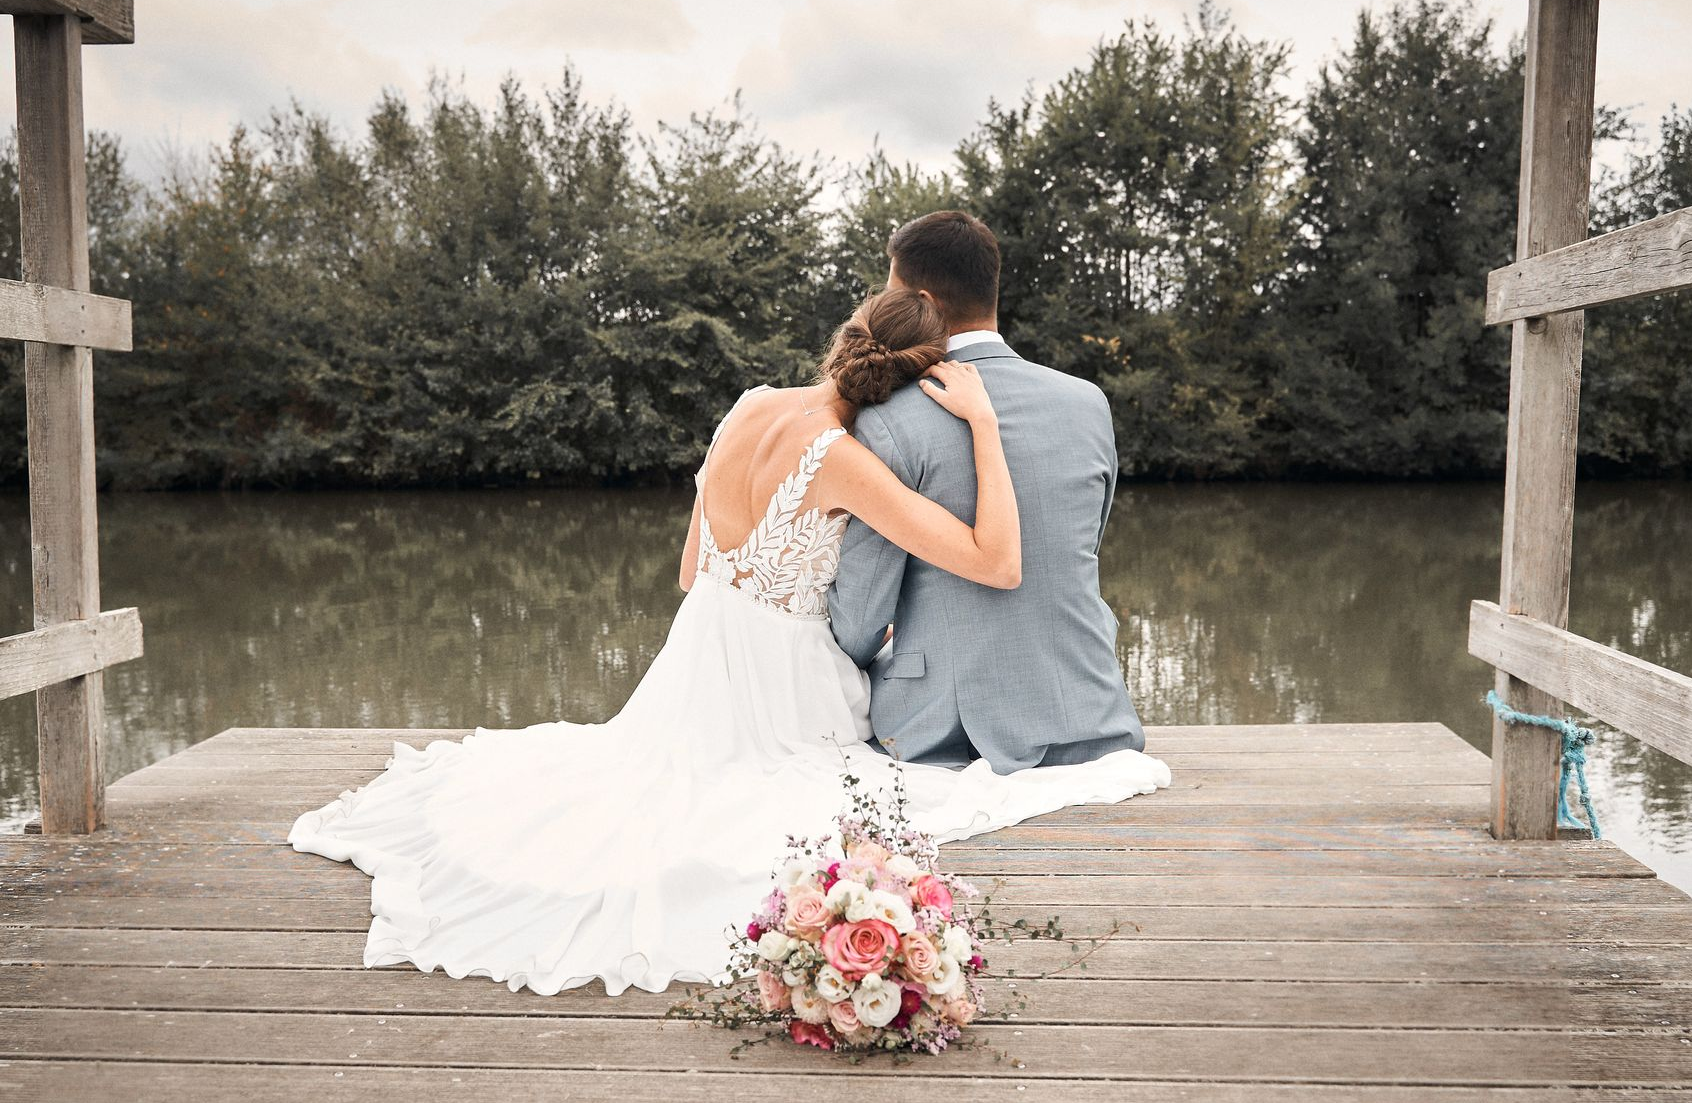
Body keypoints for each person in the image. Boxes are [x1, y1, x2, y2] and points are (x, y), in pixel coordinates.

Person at [288, 280, 1170, 996]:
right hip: (778, 687)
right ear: (910, 380)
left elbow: (689, 570)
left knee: (633, 777)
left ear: (845, 339)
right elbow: (995, 558)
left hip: (693, 660)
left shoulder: (750, 405)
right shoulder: (843, 459)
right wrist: (981, 425)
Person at [830, 211, 1148, 771]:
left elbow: (860, 618)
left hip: (948, 732)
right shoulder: (1088, 403)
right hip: (1086, 710)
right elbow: (1076, 551)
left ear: (922, 300)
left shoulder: (886, 419)